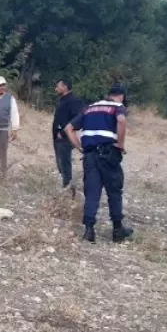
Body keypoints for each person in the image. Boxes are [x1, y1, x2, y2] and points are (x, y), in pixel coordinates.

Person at [64, 84, 134, 243]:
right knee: (114, 191)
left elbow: (69, 128)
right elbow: (121, 121)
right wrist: (121, 144)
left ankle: (89, 231)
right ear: (121, 96)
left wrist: (79, 147)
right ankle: (117, 230)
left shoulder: (90, 107)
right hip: (108, 154)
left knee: (92, 192)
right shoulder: (117, 106)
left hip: (90, 156)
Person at [51, 78, 84, 191]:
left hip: (65, 136)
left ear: (65, 87)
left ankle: (68, 188)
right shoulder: (62, 100)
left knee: (64, 163)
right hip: (57, 136)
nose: (56, 89)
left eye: (58, 86)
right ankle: (67, 185)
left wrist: (64, 132)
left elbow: (77, 119)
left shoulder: (74, 101)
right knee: (60, 163)